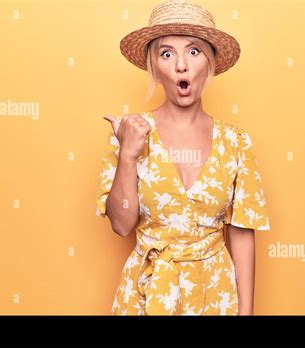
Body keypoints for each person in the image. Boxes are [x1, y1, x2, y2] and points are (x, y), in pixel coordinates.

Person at [96, 0, 271, 315]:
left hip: (215, 296)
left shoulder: (236, 142)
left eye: (193, 52)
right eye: (167, 53)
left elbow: (242, 233)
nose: (181, 65)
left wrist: (247, 314)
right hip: (146, 295)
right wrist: (128, 154)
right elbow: (121, 226)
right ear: (155, 67)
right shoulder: (129, 132)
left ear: (210, 63)